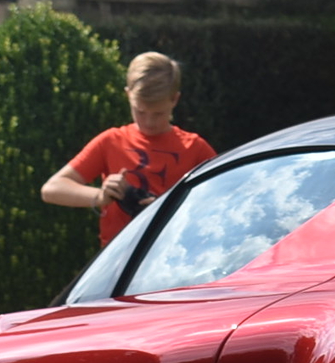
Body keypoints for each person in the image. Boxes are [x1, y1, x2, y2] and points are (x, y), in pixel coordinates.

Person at [41, 53, 216, 243]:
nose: (148, 122)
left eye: (158, 113)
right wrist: (100, 196)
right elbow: (52, 189)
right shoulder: (111, 141)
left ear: (174, 99)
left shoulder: (194, 147)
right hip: (120, 261)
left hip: (172, 256)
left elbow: (224, 200)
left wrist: (171, 209)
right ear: (128, 95)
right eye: (140, 111)